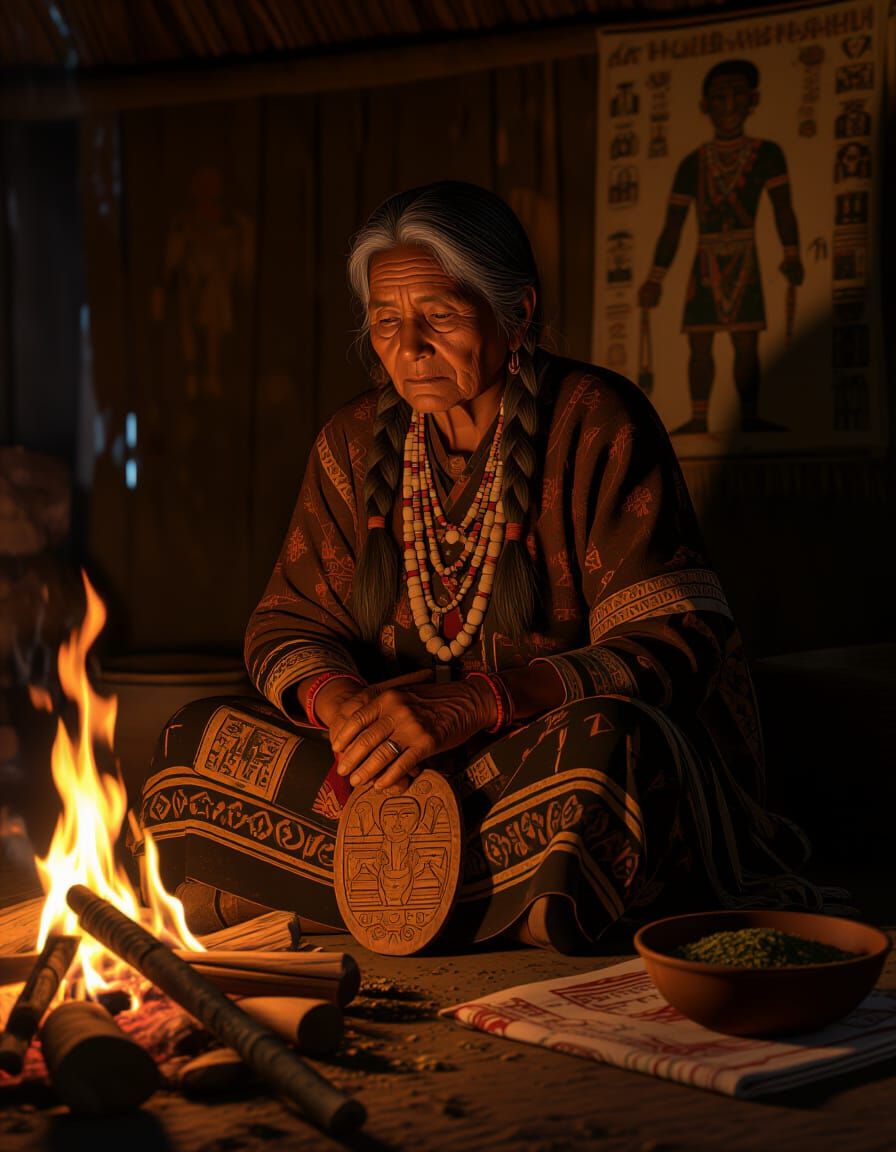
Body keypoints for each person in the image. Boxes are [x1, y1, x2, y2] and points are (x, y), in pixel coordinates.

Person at [136, 180, 829, 954]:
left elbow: (676, 637)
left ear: (517, 313)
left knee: (614, 745)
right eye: (387, 322)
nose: (410, 348)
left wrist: (475, 705)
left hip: (522, 762)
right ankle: (505, 905)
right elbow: (288, 621)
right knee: (193, 741)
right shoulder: (353, 442)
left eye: (439, 316)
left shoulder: (596, 420)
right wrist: (342, 711)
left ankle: (318, 893)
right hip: (382, 779)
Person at [638, 59, 805, 436]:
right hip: (706, 262)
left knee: (747, 344)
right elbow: (673, 227)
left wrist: (791, 254)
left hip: (745, 258)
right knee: (700, 344)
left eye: (737, 95)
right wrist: (655, 278)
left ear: (753, 100)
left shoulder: (767, 154)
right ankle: (699, 418)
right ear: (704, 105)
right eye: (719, 97)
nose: (728, 105)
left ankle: (748, 417)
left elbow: (784, 209)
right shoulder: (692, 164)